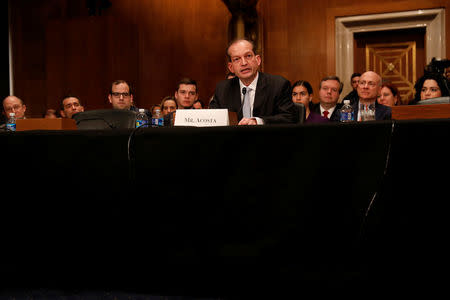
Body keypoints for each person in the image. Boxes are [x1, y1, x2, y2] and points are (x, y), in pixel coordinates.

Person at [209, 38, 297, 125]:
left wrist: (259, 122)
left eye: (248, 56)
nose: (244, 63)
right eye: (237, 59)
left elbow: (289, 117)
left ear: (258, 60)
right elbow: (213, 119)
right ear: (231, 67)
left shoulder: (278, 85)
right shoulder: (223, 89)